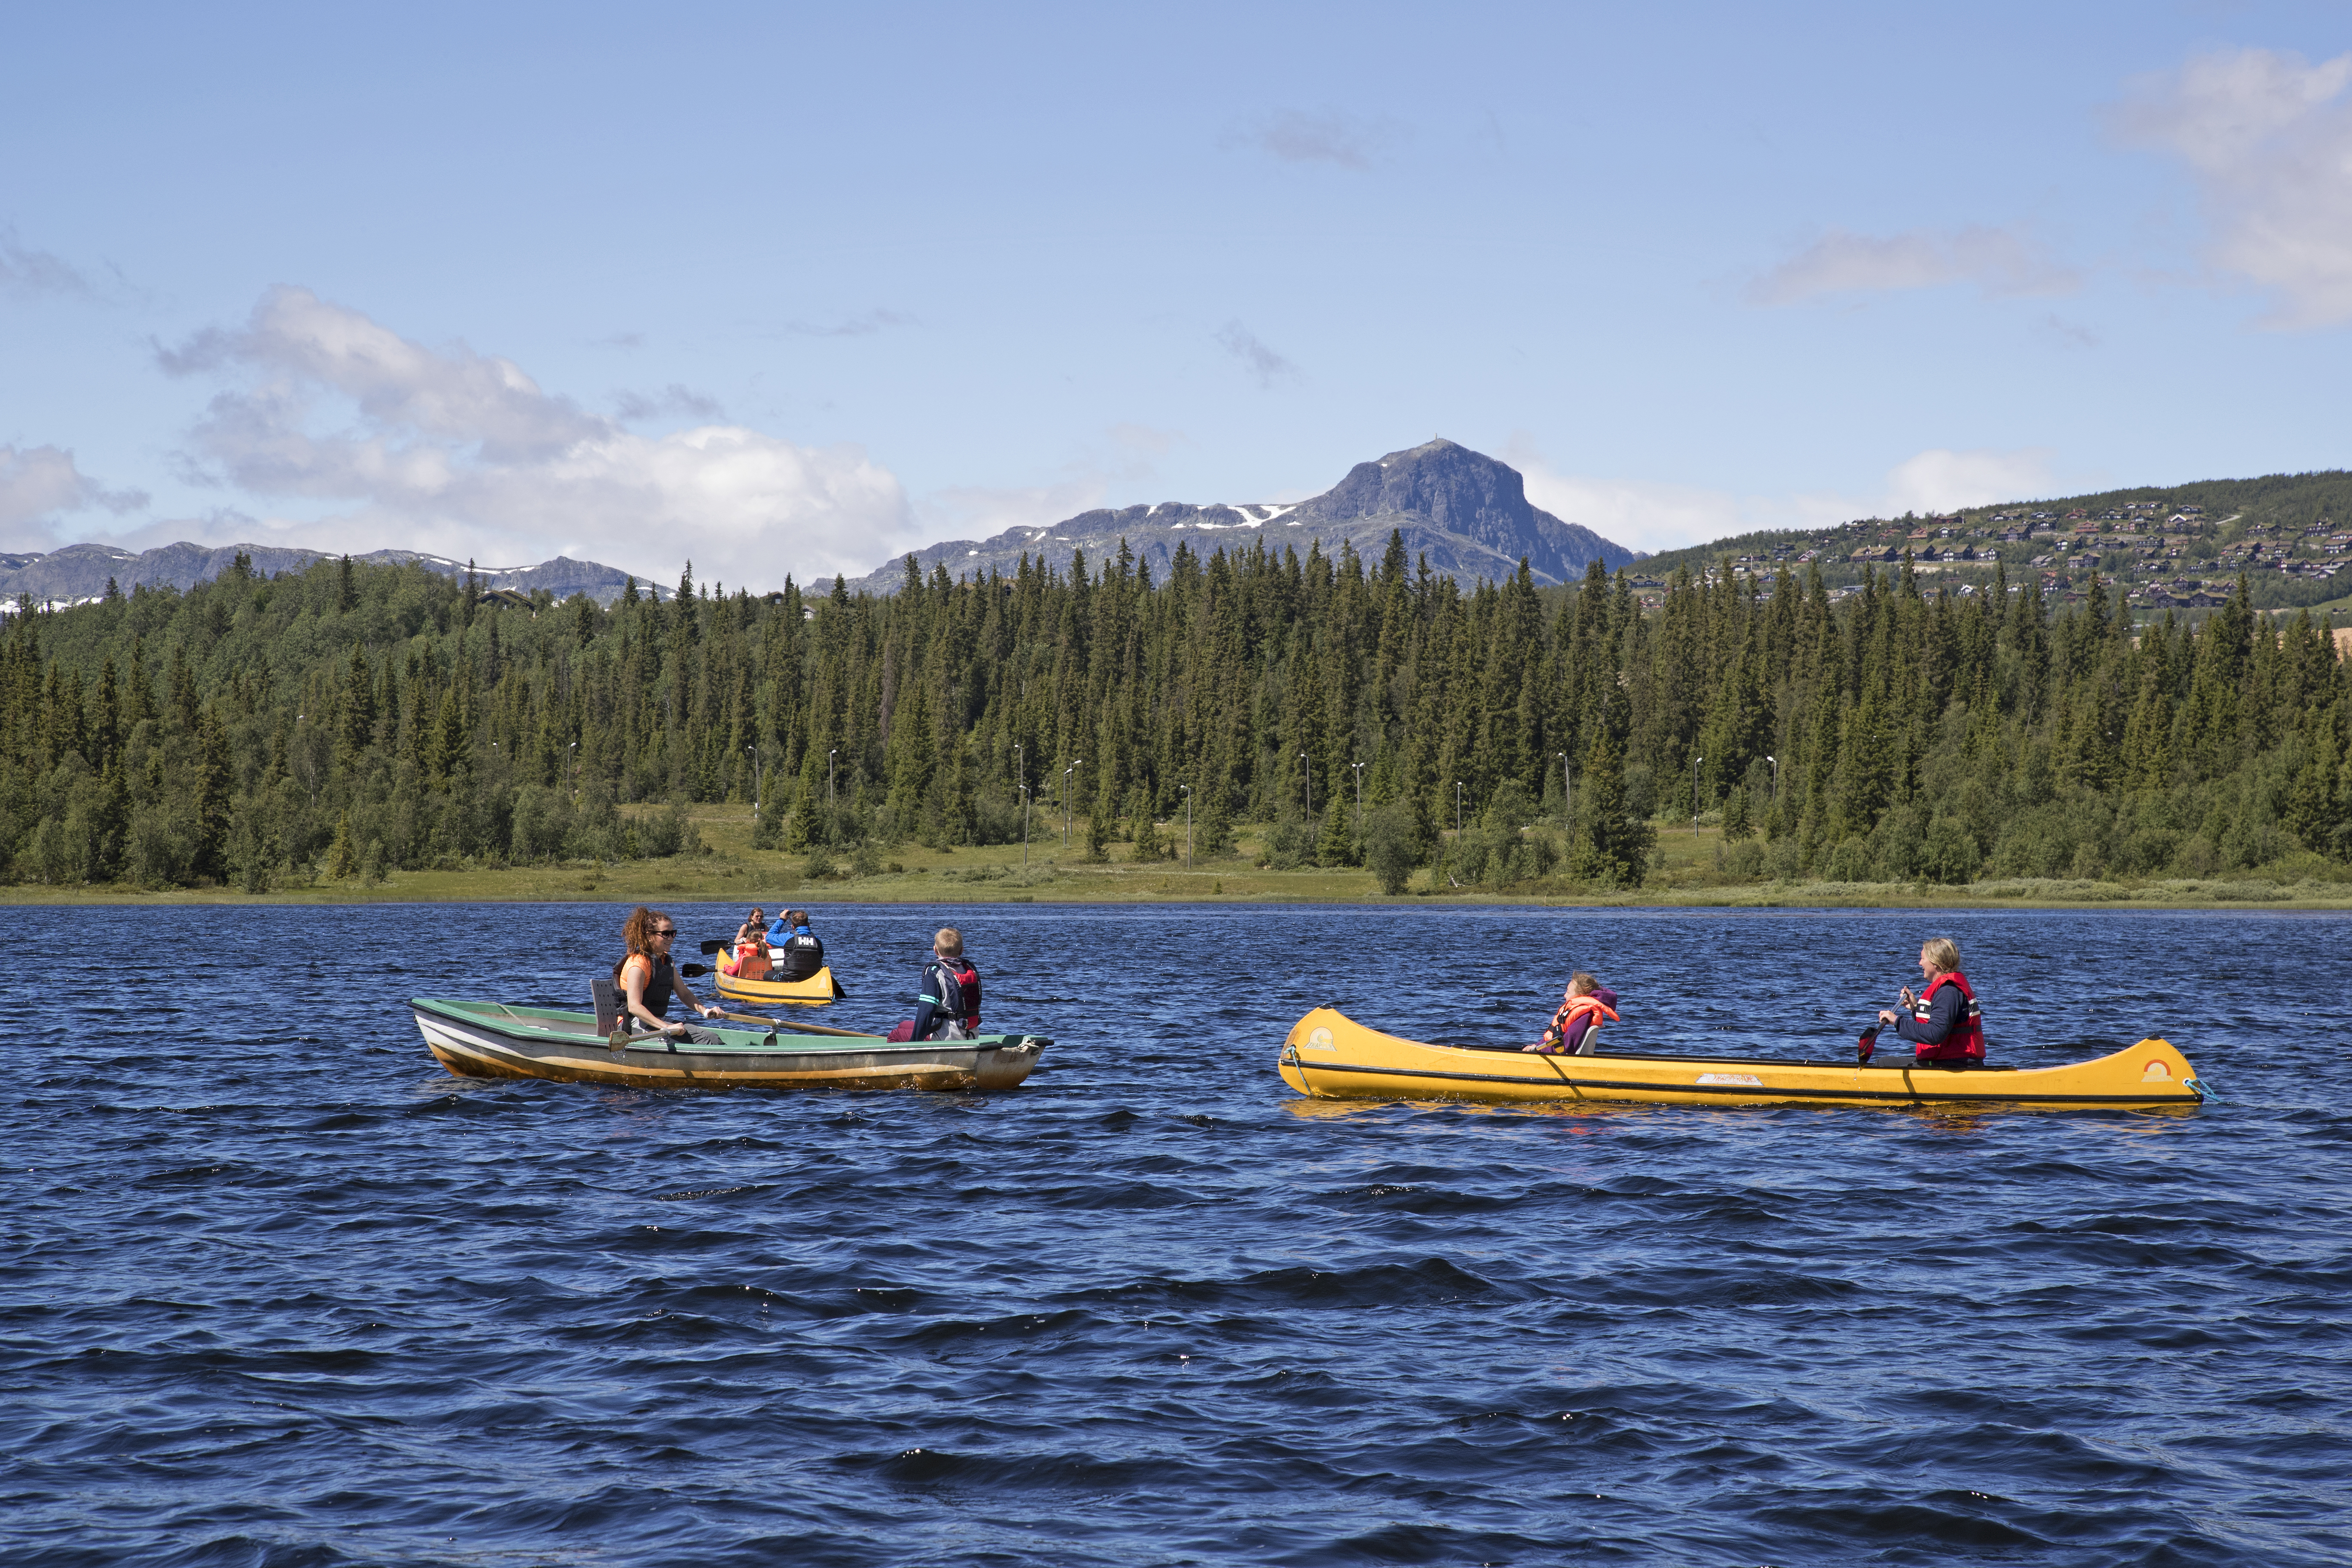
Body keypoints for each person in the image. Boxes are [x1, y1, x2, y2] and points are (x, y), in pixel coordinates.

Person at [614, 906, 725, 1043]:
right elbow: (634, 1007)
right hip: (633, 1025)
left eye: (673, 933)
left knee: (712, 1038)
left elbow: (684, 993)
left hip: (656, 1022)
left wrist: (705, 1011)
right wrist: (666, 1026)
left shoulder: (667, 961)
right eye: (665, 934)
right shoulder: (639, 963)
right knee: (705, 1040)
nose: (671, 938)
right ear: (649, 936)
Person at [1877, 936, 1985, 1065]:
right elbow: (1937, 1024)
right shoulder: (1948, 990)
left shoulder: (1948, 992)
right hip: (1946, 1059)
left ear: (1935, 963)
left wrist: (1896, 1021)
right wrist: (1915, 1008)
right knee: (1884, 1062)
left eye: (1923, 959)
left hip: (1953, 1064)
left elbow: (1935, 1034)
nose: (1920, 963)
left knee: (1883, 1065)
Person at [909, 926, 982, 1041]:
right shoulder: (968, 970)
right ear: (962, 951)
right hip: (971, 1035)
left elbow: (926, 1012)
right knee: (905, 1025)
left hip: (945, 1037)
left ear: (935, 950)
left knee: (897, 1033)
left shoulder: (935, 972)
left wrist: (913, 1043)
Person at [1525, 971, 1618, 1055]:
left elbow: (1566, 1047)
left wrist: (1539, 1050)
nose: (1565, 995)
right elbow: (1555, 1037)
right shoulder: (1579, 1011)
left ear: (1582, 995)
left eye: (1568, 992)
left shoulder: (1584, 1015)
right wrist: (1537, 1046)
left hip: (1561, 1056)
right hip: (1555, 1051)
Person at [766, 908, 825, 982]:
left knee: (767, 974)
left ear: (793, 927)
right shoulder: (817, 941)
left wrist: (782, 920)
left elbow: (769, 938)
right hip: (812, 978)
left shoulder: (788, 938)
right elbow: (821, 955)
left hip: (790, 979)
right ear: (808, 925)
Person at [722, 907, 769, 979]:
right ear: (752, 917)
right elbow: (736, 941)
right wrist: (743, 939)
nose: (759, 918)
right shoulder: (746, 927)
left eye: (761, 916)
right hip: (747, 954)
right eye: (757, 916)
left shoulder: (765, 928)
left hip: (760, 953)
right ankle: (726, 967)